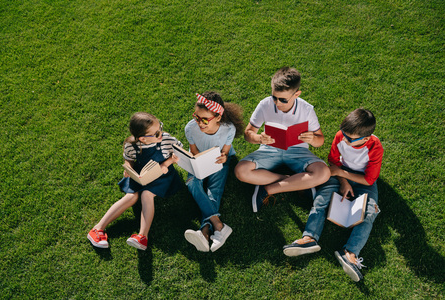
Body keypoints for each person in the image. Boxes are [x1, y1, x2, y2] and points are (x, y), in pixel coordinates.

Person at [283, 108, 384, 282]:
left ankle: (350, 253)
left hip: (361, 182)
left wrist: (343, 175)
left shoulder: (375, 147)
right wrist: (343, 181)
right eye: (344, 134)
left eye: (350, 139)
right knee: (322, 200)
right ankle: (309, 238)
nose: (344, 139)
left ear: (366, 138)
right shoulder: (341, 136)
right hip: (339, 174)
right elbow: (334, 161)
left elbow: (368, 180)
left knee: (369, 213)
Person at [234, 66, 330, 213]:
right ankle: (294, 181)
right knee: (241, 171)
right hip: (269, 149)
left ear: (296, 94)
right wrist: (259, 138)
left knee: (324, 172)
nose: (277, 103)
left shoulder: (307, 109)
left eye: (283, 99)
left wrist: (312, 139)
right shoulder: (265, 104)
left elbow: (320, 140)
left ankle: (268, 188)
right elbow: (248, 133)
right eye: (274, 97)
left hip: (298, 151)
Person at [87, 112, 183, 251]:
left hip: (162, 176)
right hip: (141, 174)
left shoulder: (166, 140)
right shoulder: (131, 145)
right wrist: (128, 168)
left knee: (146, 195)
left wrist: (168, 163)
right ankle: (98, 229)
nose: (161, 133)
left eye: (160, 128)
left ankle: (142, 236)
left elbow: (180, 152)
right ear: (143, 139)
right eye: (156, 133)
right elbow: (129, 159)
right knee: (131, 196)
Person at [184, 92, 243, 252]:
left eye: (204, 120)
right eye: (197, 117)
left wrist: (223, 158)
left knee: (214, 191)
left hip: (219, 161)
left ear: (218, 117)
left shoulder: (228, 128)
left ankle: (204, 233)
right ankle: (219, 225)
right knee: (192, 182)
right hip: (201, 160)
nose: (199, 123)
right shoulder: (190, 128)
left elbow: (225, 152)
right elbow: (194, 151)